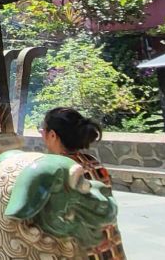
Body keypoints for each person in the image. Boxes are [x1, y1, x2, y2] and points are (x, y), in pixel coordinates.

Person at [40, 107, 127, 259]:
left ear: (52, 135)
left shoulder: (58, 170)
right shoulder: (94, 163)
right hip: (113, 252)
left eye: (43, 130)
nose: (41, 134)